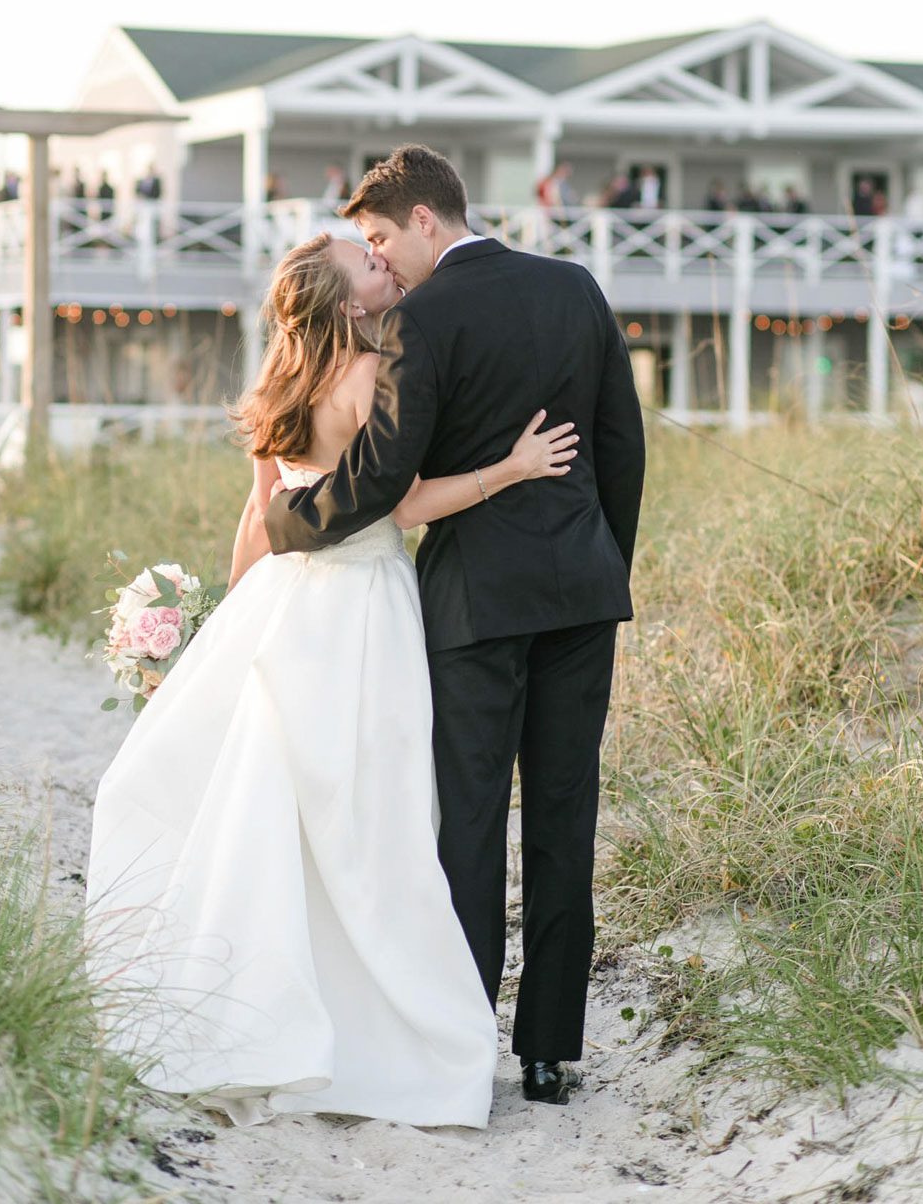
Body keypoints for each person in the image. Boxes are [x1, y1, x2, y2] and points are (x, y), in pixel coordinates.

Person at [87, 228, 579, 1129]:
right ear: (348, 304)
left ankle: (272, 1008)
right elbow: (404, 503)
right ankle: (375, 1026)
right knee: (368, 814)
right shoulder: (368, 379)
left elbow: (258, 518)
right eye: (367, 263)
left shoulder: (276, 388)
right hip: (361, 609)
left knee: (281, 806)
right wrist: (509, 469)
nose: (382, 263)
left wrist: (219, 631)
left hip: (282, 604)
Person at [264, 145, 645, 1109]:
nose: (381, 259)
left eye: (384, 237)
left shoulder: (420, 321)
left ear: (426, 220)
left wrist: (290, 517)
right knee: (567, 817)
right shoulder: (577, 286)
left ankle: (469, 1042)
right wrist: (604, 564)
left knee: (468, 825)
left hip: (472, 607)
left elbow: (384, 480)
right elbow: (619, 447)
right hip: (580, 594)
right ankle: (552, 1053)